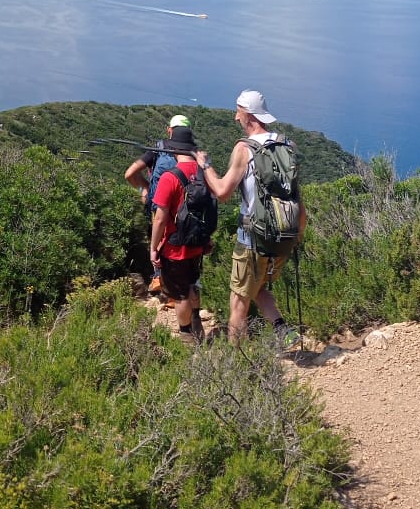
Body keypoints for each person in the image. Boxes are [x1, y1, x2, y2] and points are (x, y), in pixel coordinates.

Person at [195, 90, 305, 343]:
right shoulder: (287, 145)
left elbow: (222, 192)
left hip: (253, 239)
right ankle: (283, 330)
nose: (235, 117)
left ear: (249, 115)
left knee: (238, 301)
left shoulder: (244, 149)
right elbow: (297, 196)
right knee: (258, 287)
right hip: (284, 235)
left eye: (239, 111)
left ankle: (237, 366)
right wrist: (298, 233)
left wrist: (205, 166)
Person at [148, 125, 208, 344]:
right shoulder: (203, 172)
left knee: (180, 293)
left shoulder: (169, 177)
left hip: (175, 246)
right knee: (193, 283)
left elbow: (160, 218)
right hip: (198, 243)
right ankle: (196, 322)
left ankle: (186, 336)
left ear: (173, 149)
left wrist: (153, 248)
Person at [124, 114, 192, 295]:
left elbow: (129, 173)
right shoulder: (193, 153)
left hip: (159, 204)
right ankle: (180, 287)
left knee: (158, 239)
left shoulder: (158, 149)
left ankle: (160, 280)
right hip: (186, 207)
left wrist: (146, 187)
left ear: (169, 130)